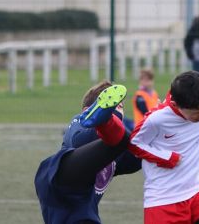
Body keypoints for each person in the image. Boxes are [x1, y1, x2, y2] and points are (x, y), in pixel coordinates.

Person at [128, 71, 199, 224]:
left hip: (197, 194)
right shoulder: (157, 119)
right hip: (163, 200)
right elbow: (135, 143)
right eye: (196, 113)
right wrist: (167, 157)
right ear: (176, 105)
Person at [34, 81, 142, 224]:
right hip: (60, 176)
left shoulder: (115, 146)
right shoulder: (78, 122)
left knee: (129, 143)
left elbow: (136, 160)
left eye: (120, 106)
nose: (119, 108)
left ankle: (105, 118)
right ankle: (102, 117)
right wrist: (110, 117)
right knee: (122, 140)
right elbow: (78, 140)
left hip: (81, 206)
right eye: (115, 105)